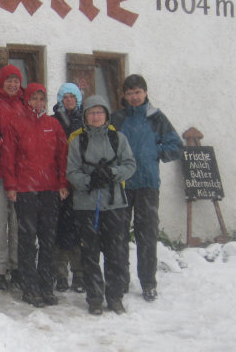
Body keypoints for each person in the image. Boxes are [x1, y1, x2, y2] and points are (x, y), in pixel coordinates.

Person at [110, 74, 182, 302]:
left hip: (148, 185)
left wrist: (155, 153)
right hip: (122, 184)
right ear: (124, 95)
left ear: (145, 93)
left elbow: (176, 145)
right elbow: (106, 144)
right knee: (118, 235)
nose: (134, 97)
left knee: (147, 235)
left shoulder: (157, 118)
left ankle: (148, 282)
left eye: (137, 92)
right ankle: (121, 280)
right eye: (129, 93)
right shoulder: (117, 118)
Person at [67, 95, 137, 315]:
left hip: (114, 204)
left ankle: (115, 297)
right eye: (91, 113)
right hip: (87, 206)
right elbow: (72, 171)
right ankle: (95, 298)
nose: (95, 117)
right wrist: (90, 181)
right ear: (85, 116)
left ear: (106, 115)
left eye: (99, 112)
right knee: (90, 254)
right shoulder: (78, 141)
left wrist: (112, 173)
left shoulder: (118, 139)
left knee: (115, 253)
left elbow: (130, 165)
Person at [2, 83, 68, 307]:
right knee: (28, 241)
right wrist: (11, 186)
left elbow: (62, 156)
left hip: (49, 191)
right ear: (26, 100)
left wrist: (62, 184)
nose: (38, 103)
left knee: (48, 241)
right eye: (34, 99)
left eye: (42, 99)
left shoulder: (53, 124)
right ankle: (30, 287)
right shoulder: (16, 124)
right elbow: (8, 156)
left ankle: (46, 286)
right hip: (25, 191)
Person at [0, 65, 27, 291]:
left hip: (20, 175)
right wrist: (6, 147)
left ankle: (17, 266)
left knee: (18, 223)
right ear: (1, 82)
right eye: (8, 80)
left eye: (16, 81)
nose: (12, 84)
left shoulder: (25, 104)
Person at [52, 83, 85, 293]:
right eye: (65, 97)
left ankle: (79, 274)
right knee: (59, 229)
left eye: (73, 97)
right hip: (58, 180)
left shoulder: (85, 119)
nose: (69, 100)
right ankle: (60, 274)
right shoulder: (54, 121)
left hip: (80, 182)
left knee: (78, 230)